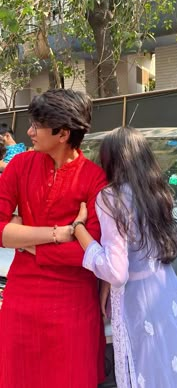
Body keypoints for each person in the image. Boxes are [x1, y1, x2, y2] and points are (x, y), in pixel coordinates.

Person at [72, 127, 177, 388]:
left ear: (111, 161)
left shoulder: (110, 197)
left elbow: (117, 272)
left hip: (137, 301)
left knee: (144, 373)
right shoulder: (155, 189)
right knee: (171, 365)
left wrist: (79, 230)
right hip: (165, 290)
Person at [0, 89, 107, 388]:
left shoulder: (94, 178)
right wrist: (58, 234)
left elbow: (91, 252)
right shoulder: (20, 166)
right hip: (21, 301)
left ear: (62, 133)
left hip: (72, 305)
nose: (29, 132)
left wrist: (23, 239)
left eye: (37, 125)